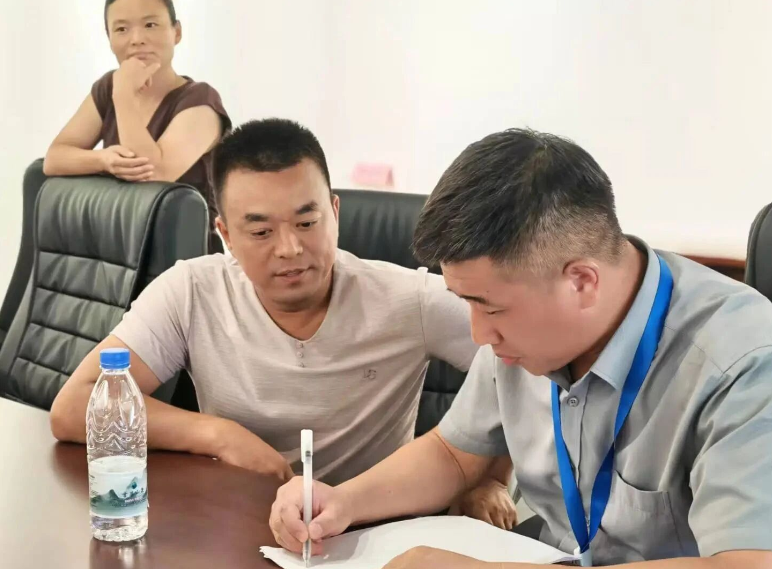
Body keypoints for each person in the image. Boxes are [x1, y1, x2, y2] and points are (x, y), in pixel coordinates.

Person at [269, 129, 772, 569]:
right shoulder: (518, 332)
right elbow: (455, 454)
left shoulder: (741, 354)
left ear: (581, 281)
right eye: (466, 303)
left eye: (490, 307)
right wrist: (343, 502)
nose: (479, 333)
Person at [50, 118, 516, 529]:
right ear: (225, 235)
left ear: (334, 213)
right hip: (238, 528)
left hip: (371, 532)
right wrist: (219, 435)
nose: (290, 248)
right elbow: (75, 407)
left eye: (307, 223)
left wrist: (491, 477)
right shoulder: (191, 291)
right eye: (261, 231)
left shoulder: (409, 300)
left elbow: (523, 363)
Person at [43, 0, 231, 253]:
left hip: (183, 257)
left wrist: (123, 96)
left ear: (176, 32)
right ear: (109, 39)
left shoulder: (200, 100)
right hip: (122, 250)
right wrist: (103, 160)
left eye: (150, 25)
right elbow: (54, 159)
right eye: (121, 29)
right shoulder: (107, 88)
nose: (137, 39)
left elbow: (151, 175)